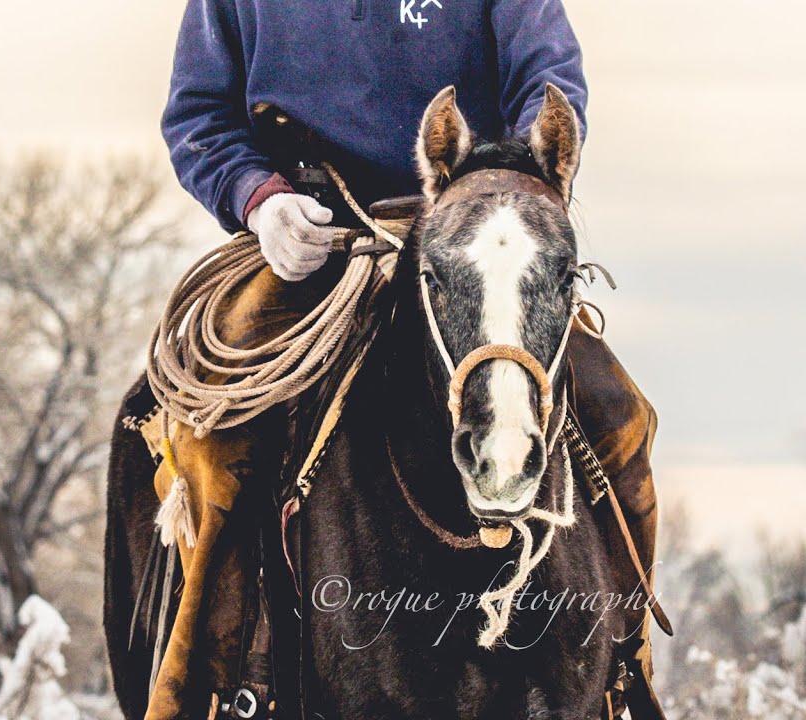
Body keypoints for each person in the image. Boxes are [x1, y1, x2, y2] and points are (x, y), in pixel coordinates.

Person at [128, 1, 666, 717]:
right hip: (311, 235)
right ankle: (209, 690)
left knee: (618, 416)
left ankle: (625, 674)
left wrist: (522, 173)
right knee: (213, 433)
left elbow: (548, 75)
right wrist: (259, 202)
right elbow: (198, 116)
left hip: (471, 225)